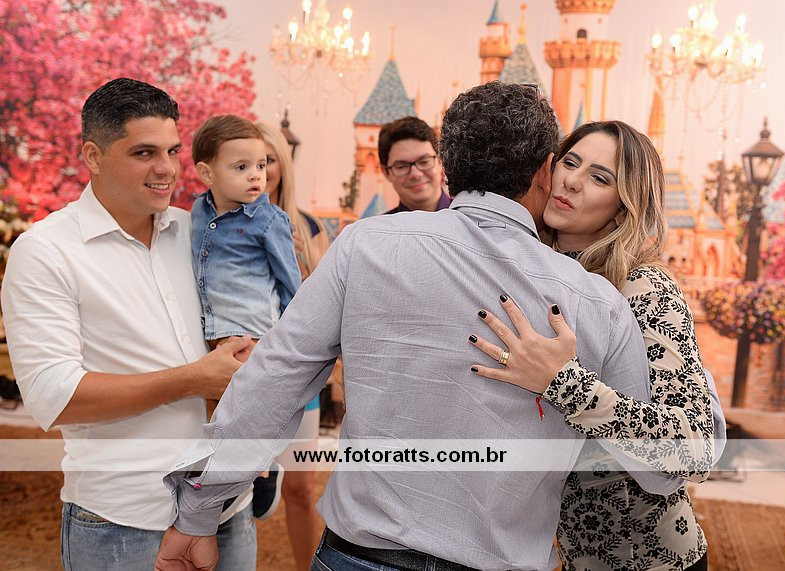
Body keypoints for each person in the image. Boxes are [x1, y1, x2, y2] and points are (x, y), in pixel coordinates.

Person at [155, 82, 677, 571]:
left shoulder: (366, 246)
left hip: (357, 555)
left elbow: (273, 381)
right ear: (546, 169)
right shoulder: (596, 302)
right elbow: (659, 468)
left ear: (446, 166)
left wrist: (199, 513)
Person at [1, 78, 257, 570]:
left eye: (172, 150)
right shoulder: (45, 251)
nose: (166, 169)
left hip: (227, 506)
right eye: (144, 153)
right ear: (93, 156)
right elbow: (56, 396)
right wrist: (194, 379)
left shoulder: (198, 231)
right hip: (126, 518)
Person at [469, 120, 715, 570]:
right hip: (567, 554)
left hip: (650, 560)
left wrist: (564, 383)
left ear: (622, 211)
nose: (572, 181)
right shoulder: (533, 273)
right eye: (570, 162)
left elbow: (692, 449)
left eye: (600, 178)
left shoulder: (643, 288)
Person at [190, 114, 303, 524]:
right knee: (215, 407)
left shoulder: (270, 221)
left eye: (261, 165)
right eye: (241, 167)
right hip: (210, 328)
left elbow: (291, 282)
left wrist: (289, 339)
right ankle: (228, 477)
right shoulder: (196, 211)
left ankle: (260, 470)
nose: (257, 176)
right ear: (207, 173)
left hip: (251, 330)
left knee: (244, 408)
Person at [257, 121, 330, 570]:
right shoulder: (216, 226)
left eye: (267, 160)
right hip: (243, 374)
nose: (259, 171)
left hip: (301, 377)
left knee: (301, 489)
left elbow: (324, 302)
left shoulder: (308, 226)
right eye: (248, 161)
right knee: (237, 491)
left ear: (282, 164)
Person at [379, 116, 451, 214]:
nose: (416, 174)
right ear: (386, 172)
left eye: (424, 162)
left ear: (440, 161)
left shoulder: (469, 220)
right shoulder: (377, 224)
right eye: (401, 166)